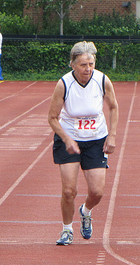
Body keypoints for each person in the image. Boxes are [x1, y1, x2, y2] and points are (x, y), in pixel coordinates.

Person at [48, 41, 118, 246]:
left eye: (91, 64)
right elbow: (52, 117)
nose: (88, 69)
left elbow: (114, 107)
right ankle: (67, 229)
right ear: (72, 64)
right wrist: (67, 139)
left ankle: (86, 211)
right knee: (69, 190)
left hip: (96, 139)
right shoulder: (64, 84)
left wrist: (112, 135)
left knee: (97, 192)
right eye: (83, 65)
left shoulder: (102, 80)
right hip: (68, 138)